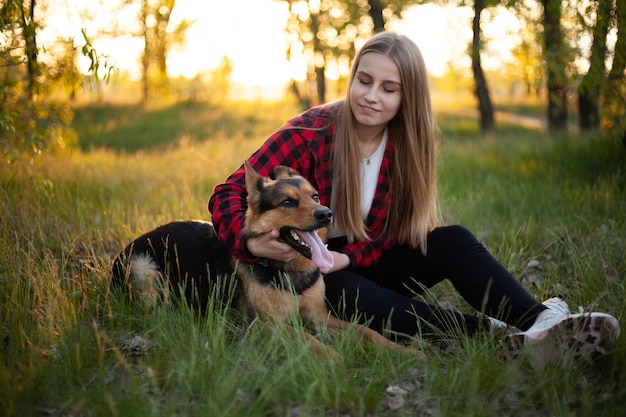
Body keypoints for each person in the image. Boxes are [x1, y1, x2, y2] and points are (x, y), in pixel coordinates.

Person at [208, 31, 619, 361]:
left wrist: (350, 257)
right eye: (364, 81)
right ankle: (505, 340)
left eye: (389, 88)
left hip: (360, 259)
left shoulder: (408, 146)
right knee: (346, 292)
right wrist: (248, 241)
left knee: (452, 239)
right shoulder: (311, 133)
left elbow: (398, 235)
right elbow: (229, 191)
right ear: (352, 79)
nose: (372, 96)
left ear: (407, 97)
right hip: (314, 273)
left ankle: (543, 320)